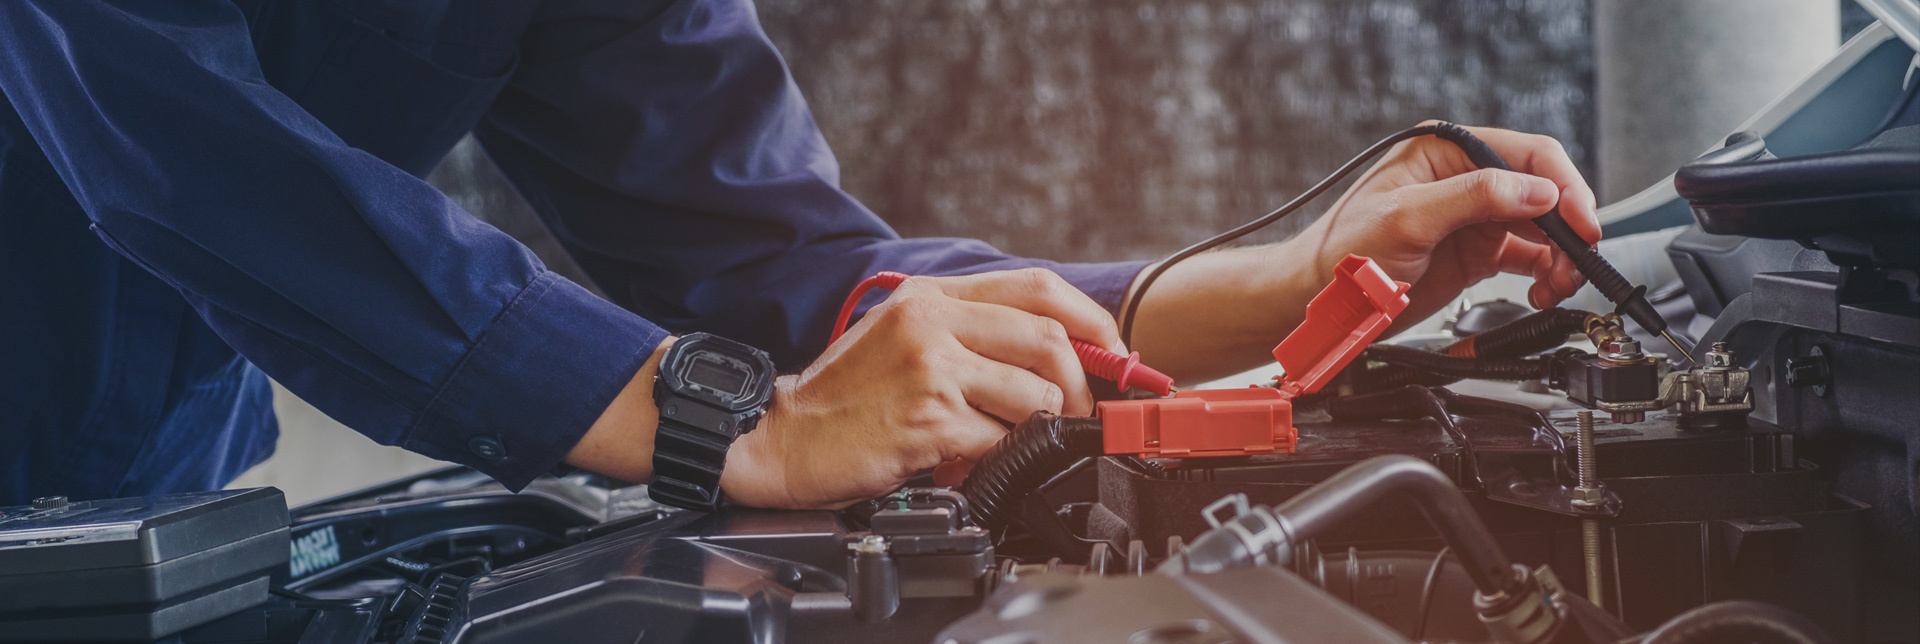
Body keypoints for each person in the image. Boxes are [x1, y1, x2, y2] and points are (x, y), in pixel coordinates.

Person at [0, 0, 1596, 510]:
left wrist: (1307, 273)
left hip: (148, 515)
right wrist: (726, 425)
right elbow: (166, 135)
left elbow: (778, 259)